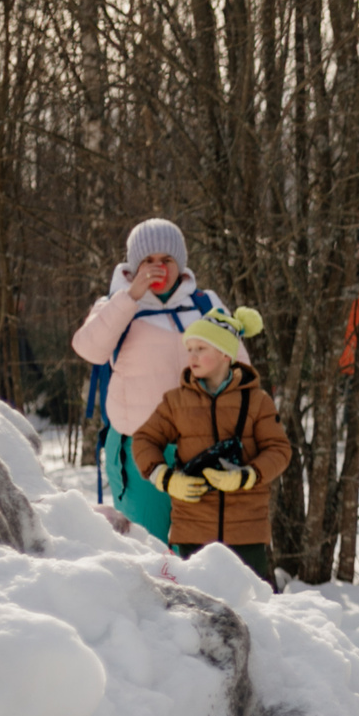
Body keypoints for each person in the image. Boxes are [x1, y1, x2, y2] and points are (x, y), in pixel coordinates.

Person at [71, 220, 235, 542]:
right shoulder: (115, 304)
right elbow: (89, 348)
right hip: (141, 452)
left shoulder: (205, 305)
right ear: (135, 266)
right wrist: (131, 296)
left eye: (167, 260)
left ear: (180, 263)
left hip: (202, 447)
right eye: (148, 260)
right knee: (149, 548)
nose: (157, 268)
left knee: (203, 554)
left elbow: (239, 365)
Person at [133, 305, 292, 588]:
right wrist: (166, 479)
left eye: (201, 348)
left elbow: (279, 450)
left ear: (225, 354)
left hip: (247, 531)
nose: (191, 356)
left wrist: (248, 476)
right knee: (196, 605)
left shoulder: (257, 402)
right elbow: (144, 440)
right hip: (192, 529)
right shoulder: (176, 401)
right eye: (189, 349)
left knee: (251, 603)